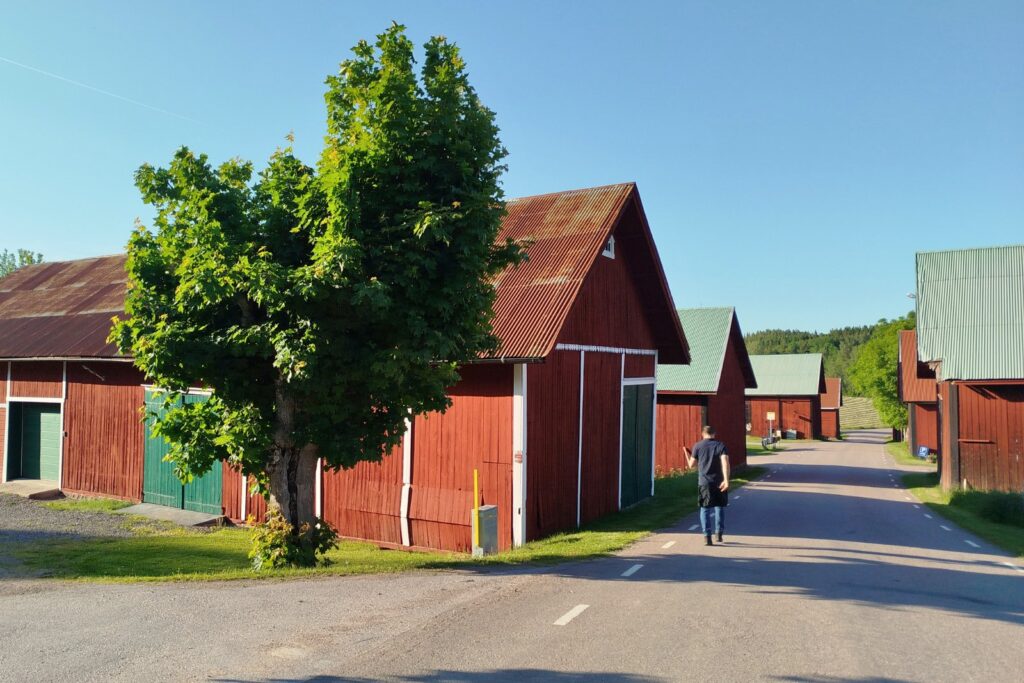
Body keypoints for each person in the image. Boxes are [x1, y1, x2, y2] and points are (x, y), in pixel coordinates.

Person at [684, 425, 730, 546]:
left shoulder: (698, 446)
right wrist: (726, 480)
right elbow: (725, 462)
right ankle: (719, 534)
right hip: (719, 482)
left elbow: (691, 465)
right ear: (714, 434)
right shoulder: (720, 445)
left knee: (705, 508)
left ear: (702, 434)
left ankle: (707, 536)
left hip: (704, 482)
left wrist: (686, 453)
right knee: (719, 506)